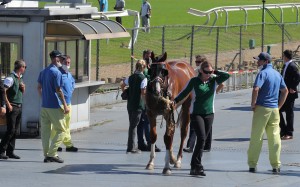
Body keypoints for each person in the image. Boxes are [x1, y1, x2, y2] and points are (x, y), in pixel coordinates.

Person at [172, 60, 230, 176]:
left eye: (210, 72)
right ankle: (198, 165)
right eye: (206, 72)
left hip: (209, 114)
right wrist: (174, 101)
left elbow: (226, 75)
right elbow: (184, 93)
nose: (208, 74)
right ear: (200, 71)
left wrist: (215, 71)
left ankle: (194, 166)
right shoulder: (194, 81)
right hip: (196, 113)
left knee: (202, 141)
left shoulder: (213, 80)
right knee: (202, 138)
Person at [247, 52, 288, 174]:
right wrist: (279, 106)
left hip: (262, 108)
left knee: (257, 136)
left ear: (265, 61)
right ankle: (276, 165)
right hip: (274, 109)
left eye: (259, 60)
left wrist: (253, 104)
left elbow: (256, 89)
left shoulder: (262, 73)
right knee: (275, 137)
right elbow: (285, 90)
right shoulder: (277, 74)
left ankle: (252, 164)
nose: (257, 62)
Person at [183, 55, 224, 153]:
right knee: (195, 125)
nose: (196, 63)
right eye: (196, 61)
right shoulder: (196, 71)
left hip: (207, 104)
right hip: (197, 103)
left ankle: (207, 146)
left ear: (203, 62)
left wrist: (214, 92)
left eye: (198, 61)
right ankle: (190, 145)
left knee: (207, 128)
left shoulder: (208, 72)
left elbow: (222, 83)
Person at [37, 50, 70, 163]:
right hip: (54, 106)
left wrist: (44, 98)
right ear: (56, 58)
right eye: (61, 58)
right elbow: (58, 90)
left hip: (44, 106)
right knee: (61, 130)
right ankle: (52, 154)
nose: (62, 60)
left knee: (45, 132)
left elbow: (39, 87)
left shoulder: (44, 71)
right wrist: (65, 105)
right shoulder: (57, 73)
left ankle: (46, 154)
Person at [50, 55, 78, 152]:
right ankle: (56, 144)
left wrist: (71, 90)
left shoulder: (69, 74)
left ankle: (68, 144)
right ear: (61, 63)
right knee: (58, 125)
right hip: (60, 103)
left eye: (69, 63)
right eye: (66, 63)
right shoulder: (58, 74)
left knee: (66, 125)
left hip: (68, 103)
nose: (67, 64)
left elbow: (73, 83)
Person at [0, 59, 26, 159]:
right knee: (10, 129)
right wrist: (7, 104)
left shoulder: (20, 78)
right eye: (24, 67)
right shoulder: (10, 79)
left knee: (15, 130)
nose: (25, 69)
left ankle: (10, 151)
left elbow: (21, 92)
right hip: (12, 106)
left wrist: (23, 88)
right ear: (21, 67)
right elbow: (3, 92)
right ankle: (1, 150)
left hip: (19, 106)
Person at [121, 59, 147, 154]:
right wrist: (145, 103)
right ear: (143, 67)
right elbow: (143, 92)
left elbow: (123, 85)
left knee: (132, 125)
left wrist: (125, 93)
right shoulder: (143, 78)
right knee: (133, 126)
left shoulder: (131, 77)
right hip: (138, 105)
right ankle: (131, 147)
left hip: (130, 104)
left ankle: (132, 145)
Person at [137, 50, 161, 152]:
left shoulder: (146, 68)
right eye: (147, 57)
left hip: (142, 99)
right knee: (146, 122)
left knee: (142, 123)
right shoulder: (145, 70)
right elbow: (147, 80)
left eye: (149, 57)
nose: (148, 59)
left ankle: (141, 143)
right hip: (145, 99)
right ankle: (150, 143)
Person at [279, 49, 300, 140]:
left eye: (283, 56)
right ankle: (283, 130)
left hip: (290, 93)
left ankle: (289, 133)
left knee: (289, 113)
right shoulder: (286, 65)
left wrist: (292, 87)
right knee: (278, 110)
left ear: (286, 57)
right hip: (283, 92)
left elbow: (298, 77)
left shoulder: (292, 66)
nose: (282, 58)